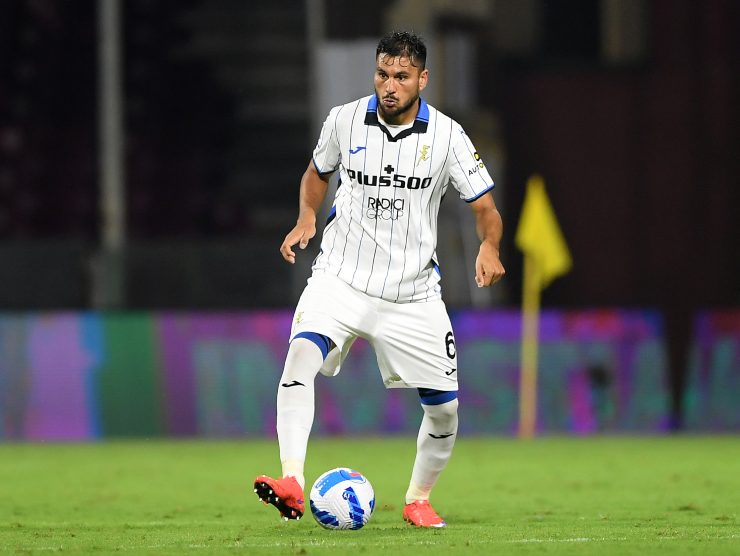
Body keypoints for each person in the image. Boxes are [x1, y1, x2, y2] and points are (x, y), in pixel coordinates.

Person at [254, 30, 505, 528]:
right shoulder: (344, 120)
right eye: (383, 74)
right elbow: (316, 173)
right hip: (341, 276)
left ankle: (417, 498)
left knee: (445, 413)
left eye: (401, 76)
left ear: (422, 79)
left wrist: (490, 245)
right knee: (301, 351)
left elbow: (485, 208)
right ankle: (291, 480)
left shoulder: (449, 136)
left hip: (412, 293)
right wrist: (308, 216)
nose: (389, 86)